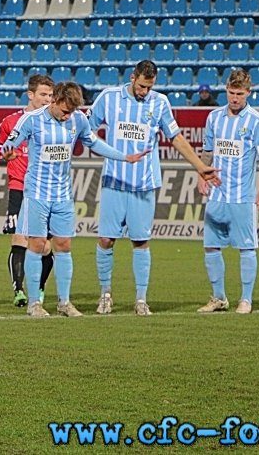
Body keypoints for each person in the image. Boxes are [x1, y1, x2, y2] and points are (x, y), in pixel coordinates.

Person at [0, 82, 148, 318]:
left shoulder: (77, 120)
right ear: (55, 100)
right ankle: (35, 304)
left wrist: (124, 157)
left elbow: (94, 142)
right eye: (65, 110)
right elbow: (9, 144)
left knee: (64, 246)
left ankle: (64, 302)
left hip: (63, 195)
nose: (67, 115)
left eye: (71, 111)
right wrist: (8, 153)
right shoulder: (32, 120)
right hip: (37, 193)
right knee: (37, 245)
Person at [87, 60, 220, 316]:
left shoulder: (159, 103)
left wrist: (199, 166)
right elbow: (86, 131)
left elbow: (176, 138)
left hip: (144, 183)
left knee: (141, 241)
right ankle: (105, 295)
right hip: (114, 180)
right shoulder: (108, 98)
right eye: (141, 86)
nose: (144, 92)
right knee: (106, 239)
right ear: (132, 77)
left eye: (149, 87)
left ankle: (140, 299)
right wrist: (108, 151)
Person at [0, 74, 56, 307]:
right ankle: (19, 290)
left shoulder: (54, 122)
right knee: (19, 239)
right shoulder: (11, 122)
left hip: (44, 189)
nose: (47, 100)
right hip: (19, 187)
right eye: (43, 95)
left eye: (50, 95)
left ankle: (38, 287)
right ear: (30, 95)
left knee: (44, 245)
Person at [196, 69, 259, 315]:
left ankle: (246, 299)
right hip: (217, 195)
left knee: (246, 247)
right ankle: (219, 298)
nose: (235, 98)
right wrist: (201, 174)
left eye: (240, 94)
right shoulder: (214, 118)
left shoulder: (256, 121)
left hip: (243, 196)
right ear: (225, 90)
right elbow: (207, 152)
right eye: (231, 92)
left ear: (249, 93)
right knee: (210, 246)